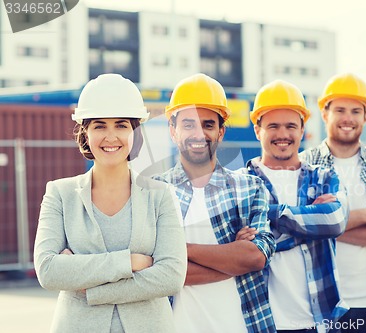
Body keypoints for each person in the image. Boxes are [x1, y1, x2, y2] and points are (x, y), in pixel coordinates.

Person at [33, 73, 187, 333]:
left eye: (121, 125)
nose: (111, 136)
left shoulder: (160, 195)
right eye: (99, 126)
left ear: (135, 131)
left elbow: (171, 276)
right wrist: (129, 263)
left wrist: (88, 286)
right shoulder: (60, 194)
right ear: (86, 133)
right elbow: (48, 270)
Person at [153, 73, 276, 333]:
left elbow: (255, 257)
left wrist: (175, 251)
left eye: (208, 125)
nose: (199, 133)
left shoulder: (249, 187)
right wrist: (231, 258)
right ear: (173, 130)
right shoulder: (154, 192)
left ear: (220, 131)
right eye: (188, 125)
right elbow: (153, 274)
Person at [300, 73, 366, 333]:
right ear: (325, 114)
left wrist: (326, 225)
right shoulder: (304, 166)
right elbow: (299, 227)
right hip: (319, 303)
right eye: (339, 109)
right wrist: (365, 217)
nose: (348, 118)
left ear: (365, 116)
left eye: (355, 111)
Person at [243, 80, 348, 333]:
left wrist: (268, 218)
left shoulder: (323, 177)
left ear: (302, 130)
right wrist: (310, 225)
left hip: (320, 320)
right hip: (261, 321)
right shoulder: (240, 183)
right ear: (258, 130)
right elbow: (238, 250)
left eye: (291, 126)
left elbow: (334, 221)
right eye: (273, 126)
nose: (283, 134)